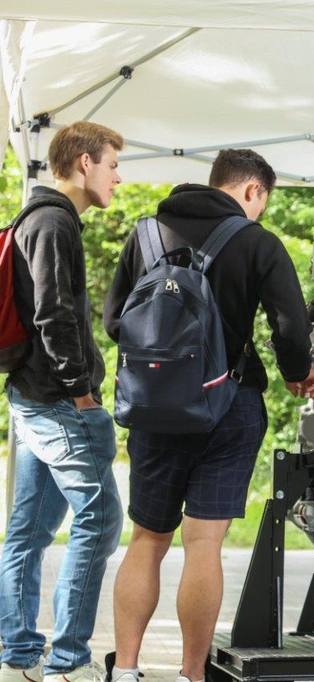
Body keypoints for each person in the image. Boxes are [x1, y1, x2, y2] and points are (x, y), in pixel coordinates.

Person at [103, 149, 314, 682]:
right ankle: (191, 675)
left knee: (147, 541)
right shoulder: (257, 241)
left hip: (154, 407)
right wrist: (297, 373)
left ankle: (125, 671)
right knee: (203, 543)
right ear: (254, 192)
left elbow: (113, 322)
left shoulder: (145, 233)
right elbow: (290, 327)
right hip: (230, 405)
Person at [0, 121, 125, 682]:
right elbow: (55, 313)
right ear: (83, 163)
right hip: (56, 400)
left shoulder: (40, 218)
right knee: (99, 519)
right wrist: (81, 389)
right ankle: (68, 663)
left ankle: (21, 653)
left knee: (28, 530)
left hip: (32, 396)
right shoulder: (52, 222)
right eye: (113, 165)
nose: (118, 178)